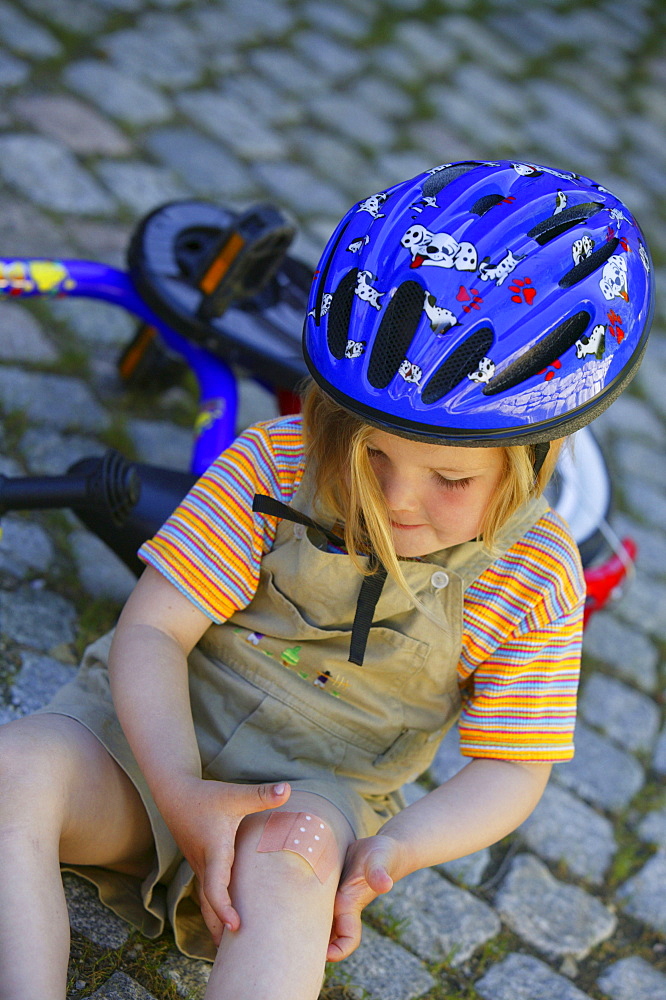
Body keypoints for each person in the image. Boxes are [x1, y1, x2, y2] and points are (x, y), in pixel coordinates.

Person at [0, 159, 653, 1000]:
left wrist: (398, 848)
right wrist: (179, 788)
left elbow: (512, 768)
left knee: (296, 861)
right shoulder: (273, 464)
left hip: (306, 802)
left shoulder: (537, 577)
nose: (397, 500)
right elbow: (157, 629)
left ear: (540, 456)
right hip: (139, 749)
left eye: (450, 481)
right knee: (16, 768)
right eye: (369, 453)